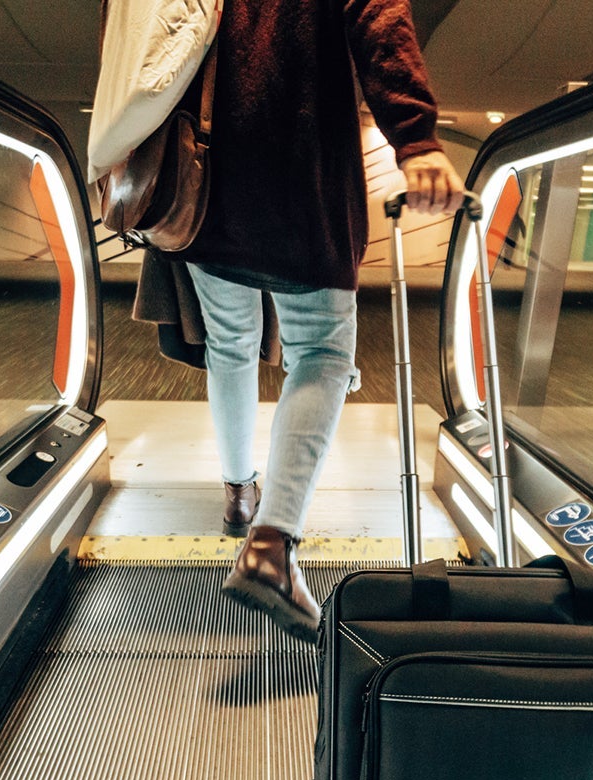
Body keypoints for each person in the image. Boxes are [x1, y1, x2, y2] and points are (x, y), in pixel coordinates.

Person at [165, 0, 465, 641]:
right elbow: (380, 20)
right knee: (323, 356)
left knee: (231, 345)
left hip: (206, 179)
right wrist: (416, 138)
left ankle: (239, 492)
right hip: (304, 177)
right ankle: (271, 545)